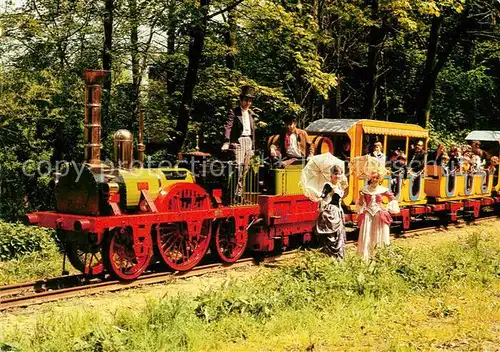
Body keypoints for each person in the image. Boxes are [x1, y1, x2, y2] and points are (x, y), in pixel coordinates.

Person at [222, 85, 256, 202]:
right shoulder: (234, 112)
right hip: (239, 141)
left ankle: (238, 195)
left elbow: (252, 131)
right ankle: (230, 195)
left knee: (245, 170)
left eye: (250, 101)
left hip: (248, 142)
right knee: (238, 167)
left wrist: (252, 148)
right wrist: (227, 142)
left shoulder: (251, 114)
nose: (248, 103)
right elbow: (228, 127)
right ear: (241, 100)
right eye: (246, 100)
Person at [356, 168, 399, 261]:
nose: (374, 179)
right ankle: (366, 256)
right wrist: (361, 195)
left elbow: (393, 199)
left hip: (379, 213)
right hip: (368, 213)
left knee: (379, 233)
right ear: (370, 178)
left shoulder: (383, 189)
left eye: (377, 177)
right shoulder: (364, 189)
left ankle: (379, 255)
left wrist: (386, 208)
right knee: (367, 233)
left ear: (379, 179)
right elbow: (360, 204)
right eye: (373, 177)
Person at [315, 165, 348, 259]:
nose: (337, 176)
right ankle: (331, 257)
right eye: (335, 174)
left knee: (339, 234)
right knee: (331, 235)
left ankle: (339, 257)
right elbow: (322, 199)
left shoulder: (339, 186)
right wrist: (330, 194)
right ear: (331, 175)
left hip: (338, 211)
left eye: (339, 174)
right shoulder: (328, 185)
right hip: (331, 211)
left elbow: (341, 199)